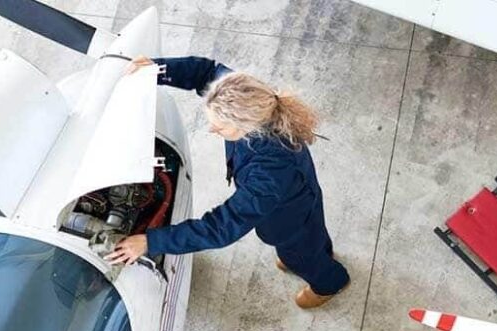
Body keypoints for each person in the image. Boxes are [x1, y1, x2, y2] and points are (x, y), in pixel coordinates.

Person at [106, 56, 350, 309]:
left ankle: (330, 282)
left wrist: (151, 241)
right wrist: (157, 69)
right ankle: (311, 254)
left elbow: (222, 227)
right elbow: (206, 72)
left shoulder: (270, 172)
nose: (212, 130)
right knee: (309, 239)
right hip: (296, 194)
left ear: (245, 125)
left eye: (220, 128)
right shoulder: (243, 94)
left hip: (289, 216)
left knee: (301, 249)